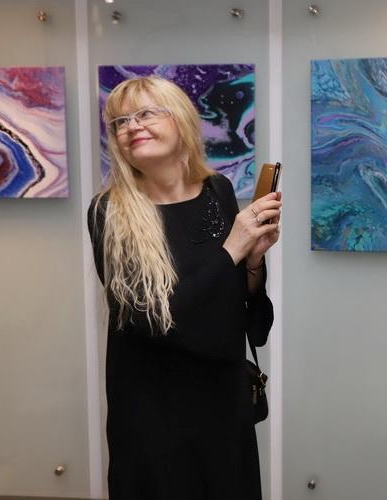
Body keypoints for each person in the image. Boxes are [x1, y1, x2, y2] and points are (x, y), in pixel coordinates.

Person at [87, 76, 281, 500]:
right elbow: (152, 320)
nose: (131, 126)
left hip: (223, 405)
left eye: (145, 113)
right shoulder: (108, 212)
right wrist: (232, 249)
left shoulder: (218, 191)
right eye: (120, 121)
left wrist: (253, 260)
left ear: (182, 121)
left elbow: (238, 309)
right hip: (153, 415)